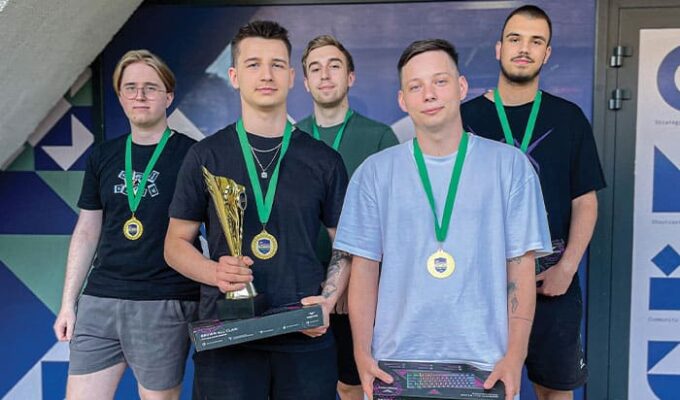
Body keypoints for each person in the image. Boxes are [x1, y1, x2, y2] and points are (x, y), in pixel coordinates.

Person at [334, 38, 553, 400]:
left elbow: (521, 267)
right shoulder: (374, 173)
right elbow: (364, 269)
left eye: (440, 81)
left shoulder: (510, 167)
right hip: (396, 366)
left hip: (484, 365)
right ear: (403, 101)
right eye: (415, 86)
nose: (429, 94)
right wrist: (361, 352)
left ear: (461, 87)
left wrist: (515, 355)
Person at [164, 21, 350, 400]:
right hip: (228, 335)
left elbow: (345, 246)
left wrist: (328, 300)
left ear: (292, 77)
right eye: (253, 64)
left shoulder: (323, 161)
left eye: (277, 64)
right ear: (234, 76)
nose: (266, 74)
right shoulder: (206, 155)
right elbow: (174, 244)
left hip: (304, 334)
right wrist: (215, 271)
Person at [460, 5, 606, 400]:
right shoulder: (464, 119)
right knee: (481, 392)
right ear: (498, 49)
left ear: (547, 54)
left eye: (536, 41)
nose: (524, 49)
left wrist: (567, 267)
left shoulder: (569, 118)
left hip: (550, 282)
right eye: (515, 39)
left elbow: (585, 201)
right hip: (479, 286)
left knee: (554, 393)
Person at [53, 50, 199, 400]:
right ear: (119, 97)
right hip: (100, 299)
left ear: (168, 96)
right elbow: (87, 230)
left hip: (162, 301)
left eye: (150, 87)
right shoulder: (103, 155)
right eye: (130, 87)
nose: (140, 95)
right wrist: (68, 302)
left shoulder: (194, 155)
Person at [296, 34, 399, 400]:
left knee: (355, 384)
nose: (325, 75)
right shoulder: (290, 138)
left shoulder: (379, 137)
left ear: (351, 77)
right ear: (305, 81)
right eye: (315, 68)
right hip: (304, 290)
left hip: (363, 288)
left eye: (334, 66)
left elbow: (391, 223)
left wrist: (347, 281)